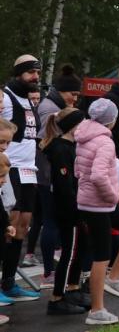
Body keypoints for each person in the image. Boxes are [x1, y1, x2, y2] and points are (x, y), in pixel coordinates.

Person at [74, 99, 119, 325]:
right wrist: (112, 195)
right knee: (101, 256)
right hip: (99, 202)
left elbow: (78, 169)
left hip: (90, 200)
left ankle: (113, 279)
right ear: (112, 119)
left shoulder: (84, 136)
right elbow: (98, 175)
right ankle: (97, 310)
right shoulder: (105, 142)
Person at [2, 56, 45, 302]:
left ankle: (9, 282)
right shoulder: (6, 97)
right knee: (9, 224)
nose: (35, 77)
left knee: (24, 224)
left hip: (29, 169)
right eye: (30, 73)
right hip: (11, 168)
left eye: (37, 73)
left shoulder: (28, 99)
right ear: (18, 73)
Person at [41, 109, 88, 315]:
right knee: (69, 253)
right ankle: (57, 298)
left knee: (78, 250)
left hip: (76, 206)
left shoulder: (71, 146)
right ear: (73, 126)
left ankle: (72, 288)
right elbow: (64, 185)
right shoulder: (60, 149)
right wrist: (76, 208)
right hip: (68, 209)